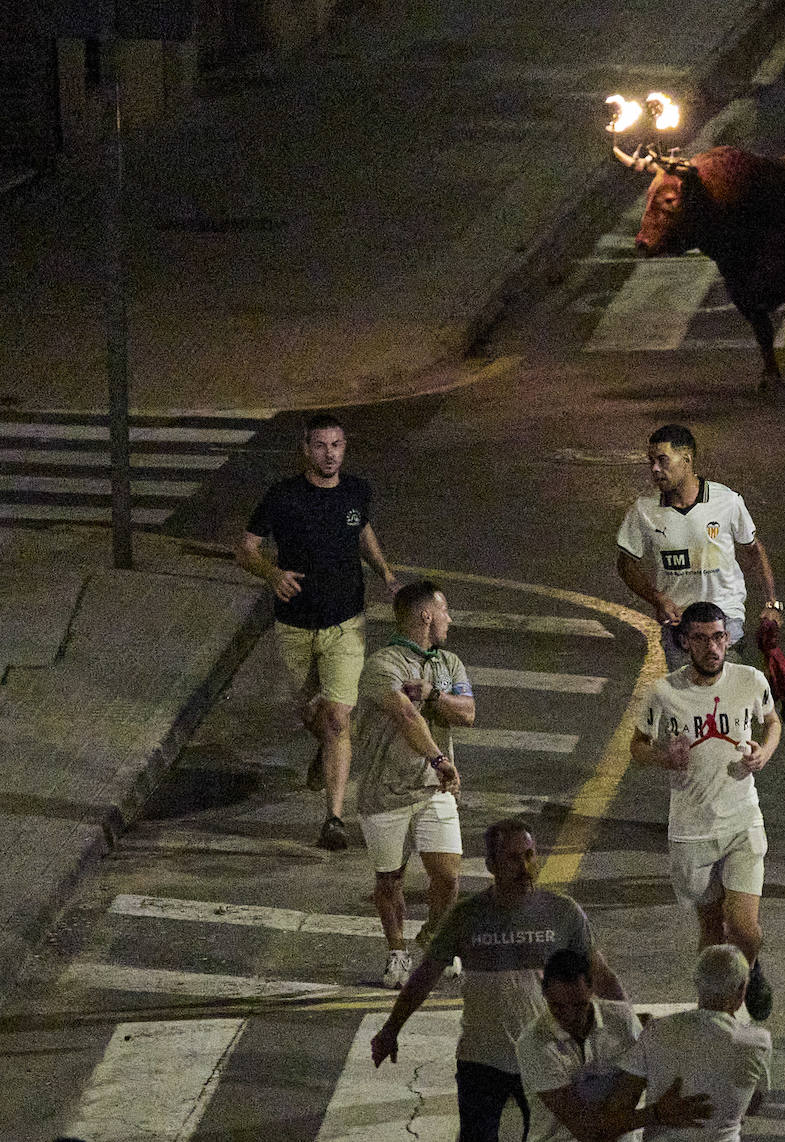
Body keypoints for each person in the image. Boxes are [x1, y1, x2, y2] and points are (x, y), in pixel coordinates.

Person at [372, 820, 626, 1142]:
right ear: (491, 865)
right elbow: (425, 976)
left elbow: (602, 976)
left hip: (547, 1057)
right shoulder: (466, 916)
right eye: (513, 858)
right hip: (481, 1060)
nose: (525, 867)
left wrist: (629, 1026)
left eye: (530, 855)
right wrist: (390, 1030)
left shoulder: (564, 913)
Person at [236, 412, 399, 850]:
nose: (330, 454)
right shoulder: (283, 496)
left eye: (338, 445)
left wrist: (383, 570)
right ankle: (327, 749)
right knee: (314, 715)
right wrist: (272, 574)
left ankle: (334, 818)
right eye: (322, 446)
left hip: (346, 623)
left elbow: (363, 531)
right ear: (306, 449)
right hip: (294, 625)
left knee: (338, 718)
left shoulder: (356, 492)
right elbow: (246, 549)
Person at [630, 600, 782, 1021]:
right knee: (713, 932)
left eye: (719, 637)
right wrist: (665, 757)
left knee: (744, 930)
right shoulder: (664, 693)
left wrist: (764, 753)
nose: (712, 647)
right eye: (700, 639)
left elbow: (773, 723)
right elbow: (637, 746)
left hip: (742, 820)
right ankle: (715, 1016)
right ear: (684, 642)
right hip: (692, 828)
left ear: (728, 638)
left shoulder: (750, 681)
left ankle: (749, 970)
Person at [353, 580, 474, 987]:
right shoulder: (381, 665)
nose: (449, 619)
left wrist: (433, 694)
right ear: (426, 615)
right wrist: (439, 758)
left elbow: (468, 713)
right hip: (384, 791)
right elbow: (406, 717)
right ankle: (397, 953)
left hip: (432, 790)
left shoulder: (450, 664)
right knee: (390, 879)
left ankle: (433, 936)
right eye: (444, 611)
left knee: (449, 876)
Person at [616, 424, 783, 669]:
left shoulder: (726, 501)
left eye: (662, 460)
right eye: (651, 461)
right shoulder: (644, 511)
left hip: (725, 618)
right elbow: (626, 563)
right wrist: (658, 598)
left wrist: (772, 603)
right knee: (688, 701)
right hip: (679, 625)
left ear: (686, 459)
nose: (655, 469)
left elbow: (753, 549)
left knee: (725, 694)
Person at [515, 948, 711, 1142]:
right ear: (544, 994)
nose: (570, 1016)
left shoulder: (621, 1019)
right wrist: (657, 1113)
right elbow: (586, 1131)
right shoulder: (533, 1043)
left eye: (578, 1005)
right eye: (557, 1006)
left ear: (592, 989)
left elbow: (650, 1071)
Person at [603, 945, 772, 1142]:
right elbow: (754, 1105)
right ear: (742, 988)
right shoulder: (757, 1042)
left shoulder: (658, 1031)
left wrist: (656, 1114)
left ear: (697, 983)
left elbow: (612, 1117)